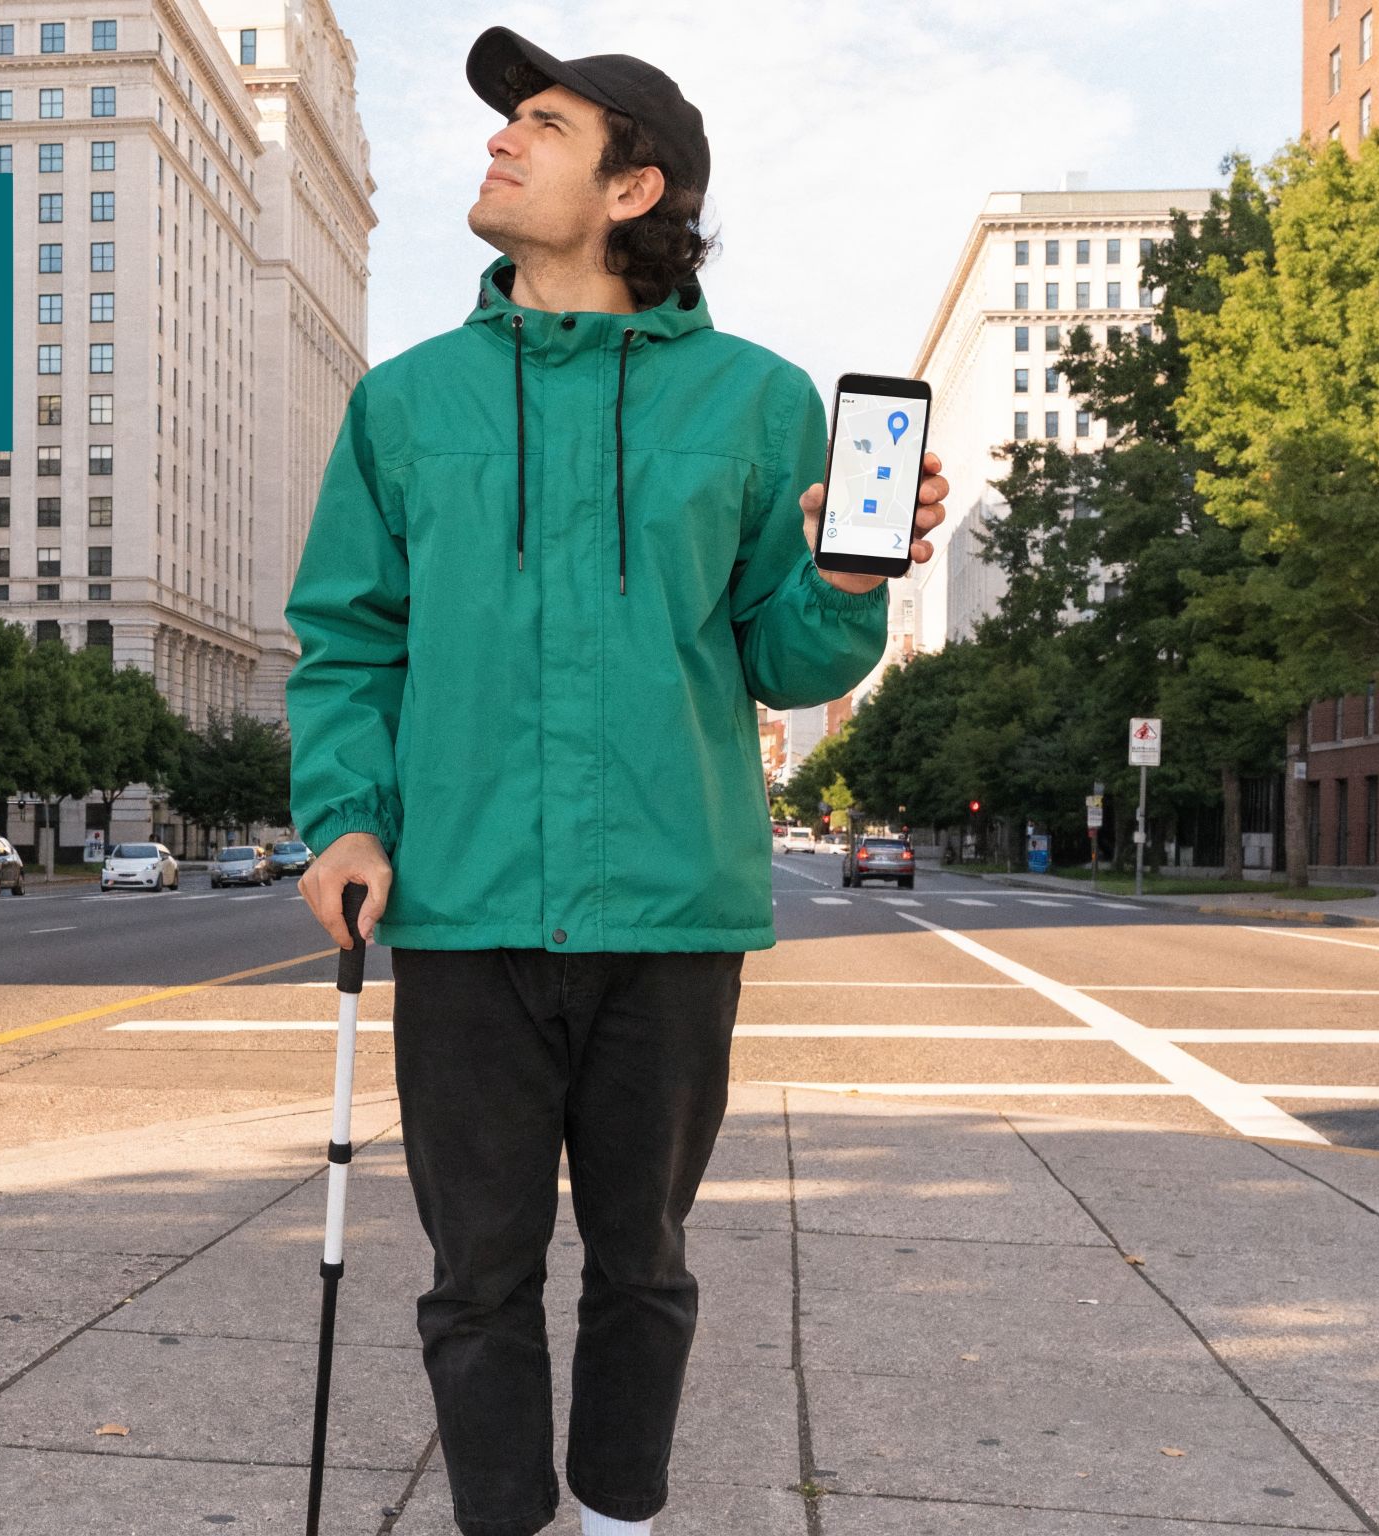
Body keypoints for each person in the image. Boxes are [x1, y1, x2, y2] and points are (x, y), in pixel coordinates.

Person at [282, 28, 948, 1536]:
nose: (502, 140)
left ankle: (621, 1521)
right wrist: (344, 817)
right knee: (477, 1276)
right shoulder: (405, 405)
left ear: (634, 183)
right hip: (461, 909)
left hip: (671, 908)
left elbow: (788, 659)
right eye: (507, 118)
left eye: (545, 123)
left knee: (643, 1263)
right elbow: (344, 641)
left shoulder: (763, 403)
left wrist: (858, 566)